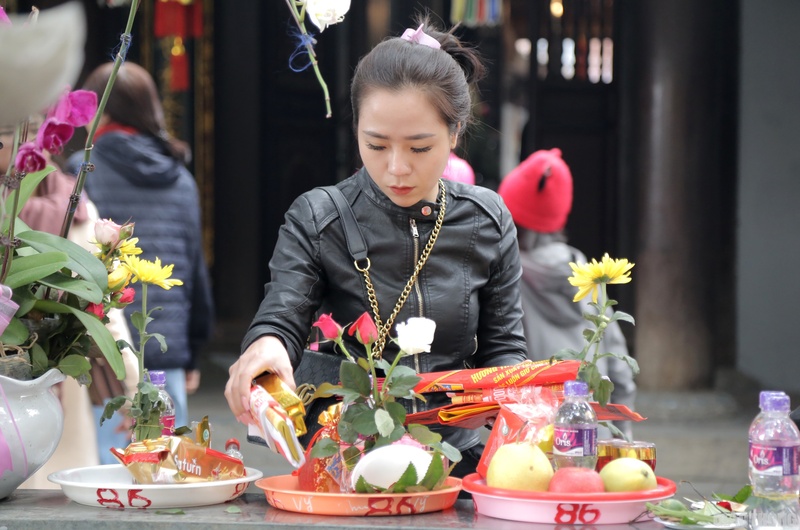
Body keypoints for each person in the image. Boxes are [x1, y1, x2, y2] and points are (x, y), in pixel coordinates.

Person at [225, 18, 528, 478]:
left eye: (419, 148)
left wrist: (516, 414)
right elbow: (283, 313)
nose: (396, 168)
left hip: (458, 463)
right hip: (348, 459)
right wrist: (264, 349)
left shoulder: (486, 219)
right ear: (358, 130)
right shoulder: (318, 216)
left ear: (455, 133)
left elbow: (505, 349)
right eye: (377, 144)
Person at [67, 62, 215, 432]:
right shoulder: (180, 178)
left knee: (105, 481)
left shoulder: (82, 168)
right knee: (164, 468)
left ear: (104, 112)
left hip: (105, 358)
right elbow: (195, 272)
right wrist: (193, 354)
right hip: (169, 356)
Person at [0, 123, 139, 481]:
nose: (22, 143)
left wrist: (133, 387)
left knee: (55, 498)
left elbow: (99, 300)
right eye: (12, 130)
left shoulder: (70, 202)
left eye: (34, 131)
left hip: (50, 386)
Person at [497, 147, 637, 438]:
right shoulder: (590, 277)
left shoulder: (503, 278)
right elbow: (621, 373)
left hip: (529, 445)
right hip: (591, 438)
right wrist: (621, 441)